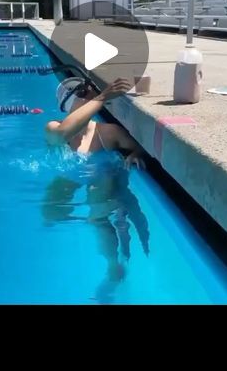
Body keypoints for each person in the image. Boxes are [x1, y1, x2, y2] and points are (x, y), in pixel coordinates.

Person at [43, 77, 150, 304]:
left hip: (98, 180)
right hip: (67, 176)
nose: (88, 99)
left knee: (99, 191)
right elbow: (62, 133)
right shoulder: (53, 128)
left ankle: (112, 265)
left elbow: (138, 148)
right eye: (83, 96)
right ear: (68, 105)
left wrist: (135, 155)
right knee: (50, 214)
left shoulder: (108, 132)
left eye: (89, 96)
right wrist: (101, 97)